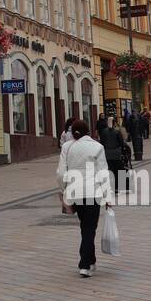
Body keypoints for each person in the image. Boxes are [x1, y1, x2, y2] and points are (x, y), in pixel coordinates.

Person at [55, 119, 110, 278]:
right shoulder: (97, 147)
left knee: (85, 227)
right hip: (93, 193)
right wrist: (108, 196)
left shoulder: (66, 146)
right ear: (89, 131)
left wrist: (64, 189)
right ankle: (85, 264)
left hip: (74, 192)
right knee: (89, 228)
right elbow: (103, 173)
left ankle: (90, 261)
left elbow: (60, 173)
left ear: (73, 132)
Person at [100, 115, 130, 201]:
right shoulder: (117, 132)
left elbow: (101, 143)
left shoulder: (103, 132)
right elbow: (121, 143)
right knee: (119, 170)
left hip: (107, 154)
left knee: (109, 171)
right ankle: (118, 187)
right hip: (116, 154)